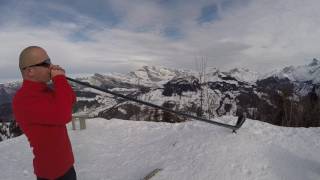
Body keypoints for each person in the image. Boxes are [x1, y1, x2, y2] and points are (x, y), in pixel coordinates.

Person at [12, 46, 77, 180]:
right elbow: (64, 115)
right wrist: (59, 79)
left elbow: (71, 100)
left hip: (67, 166)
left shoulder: (45, 90)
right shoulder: (24, 100)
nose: (51, 66)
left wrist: (60, 80)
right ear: (30, 71)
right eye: (46, 62)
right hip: (52, 174)